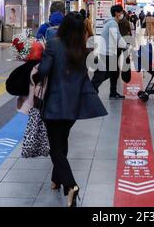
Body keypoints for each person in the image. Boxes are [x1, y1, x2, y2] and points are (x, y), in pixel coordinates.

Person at [35, 12, 107, 207]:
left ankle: (71, 185)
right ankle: (56, 180)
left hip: (55, 104)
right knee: (62, 140)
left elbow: (43, 72)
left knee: (55, 148)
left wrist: (35, 71)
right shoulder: (84, 48)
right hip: (75, 104)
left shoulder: (54, 44)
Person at [91, 5, 128, 99]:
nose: (121, 14)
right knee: (103, 74)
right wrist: (125, 46)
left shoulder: (112, 22)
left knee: (113, 73)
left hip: (108, 52)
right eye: (121, 12)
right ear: (116, 13)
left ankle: (112, 92)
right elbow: (116, 37)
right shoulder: (112, 24)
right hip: (106, 53)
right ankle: (91, 90)